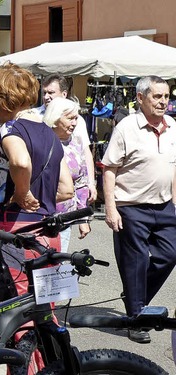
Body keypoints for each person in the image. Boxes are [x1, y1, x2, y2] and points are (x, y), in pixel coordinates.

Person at [0, 63, 73, 296]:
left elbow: (21, 161)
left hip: (15, 230)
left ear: (3, 101)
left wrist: (22, 193)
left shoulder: (10, 128)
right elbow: (66, 188)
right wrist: (39, 196)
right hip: (48, 230)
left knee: (15, 308)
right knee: (45, 308)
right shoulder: (50, 134)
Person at [101, 75, 176, 344]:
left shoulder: (173, 126)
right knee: (135, 263)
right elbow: (109, 169)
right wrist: (111, 208)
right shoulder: (126, 127)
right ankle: (136, 319)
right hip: (131, 207)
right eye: (157, 96)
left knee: (170, 254)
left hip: (165, 206)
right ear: (141, 98)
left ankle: (135, 296)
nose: (163, 102)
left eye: (166, 96)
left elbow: (172, 168)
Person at [36, 74, 97, 203]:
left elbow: (85, 152)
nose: (46, 97)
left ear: (64, 94)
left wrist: (91, 183)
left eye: (51, 93)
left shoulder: (77, 119)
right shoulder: (34, 116)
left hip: (71, 195)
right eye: (44, 92)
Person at [43, 97, 91, 252]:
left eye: (76, 118)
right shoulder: (40, 142)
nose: (75, 123)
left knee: (58, 264)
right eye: (70, 118)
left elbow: (82, 183)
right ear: (55, 119)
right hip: (39, 217)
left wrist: (82, 218)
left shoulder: (76, 144)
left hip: (64, 218)